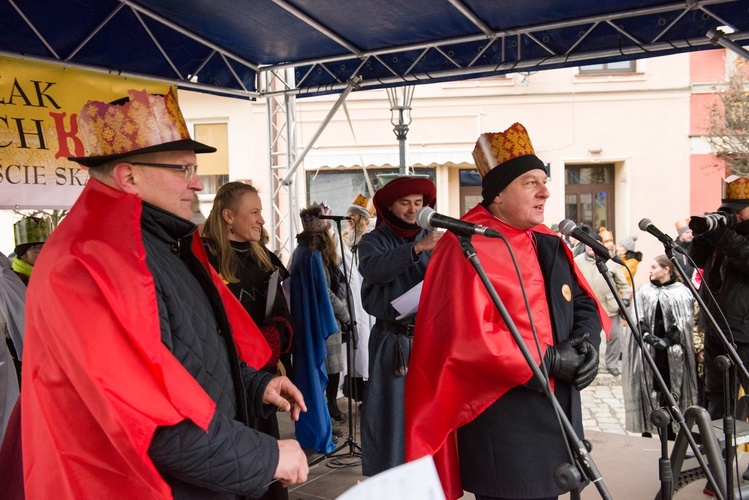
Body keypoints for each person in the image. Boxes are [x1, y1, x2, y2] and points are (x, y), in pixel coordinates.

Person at [21, 88, 308, 498]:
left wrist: (251, 383)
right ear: (129, 176)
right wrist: (265, 457)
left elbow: (185, 357)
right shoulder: (88, 264)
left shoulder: (155, 244)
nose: (196, 183)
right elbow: (146, 419)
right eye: (183, 169)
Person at [405, 123, 606, 500]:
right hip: (504, 419)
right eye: (531, 182)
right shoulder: (464, 242)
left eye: (543, 180)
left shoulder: (546, 239)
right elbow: (465, 336)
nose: (545, 191)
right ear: (497, 194)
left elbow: (581, 301)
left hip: (559, 412)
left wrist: (587, 346)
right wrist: (547, 360)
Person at [202, 181, 295, 500]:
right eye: (253, 212)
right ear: (229, 216)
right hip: (219, 383)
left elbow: (283, 314)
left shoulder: (265, 259)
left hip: (260, 382)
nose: (262, 220)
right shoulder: (203, 259)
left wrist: (273, 338)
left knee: (265, 472)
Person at [357, 175, 442, 476]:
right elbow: (375, 269)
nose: (412, 209)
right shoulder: (372, 241)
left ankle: (428, 480)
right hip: (393, 345)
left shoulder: (434, 238)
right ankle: (390, 483)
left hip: (428, 340)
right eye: (405, 203)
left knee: (429, 416)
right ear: (390, 206)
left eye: (418, 203)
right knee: (391, 420)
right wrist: (416, 249)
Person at [288, 205, 351, 453]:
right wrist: (345, 315)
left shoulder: (300, 251)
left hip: (307, 322)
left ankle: (318, 424)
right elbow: (324, 294)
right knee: (321, 375)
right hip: (320, 322)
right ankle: (320, 429)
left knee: (312, 379)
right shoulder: (314, 255)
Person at [690, 176, 749, 422]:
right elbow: (693, 259)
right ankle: (719, 456)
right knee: (718, 397)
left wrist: (723, 235)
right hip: (716, 327)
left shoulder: (731, 238)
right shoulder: (725, 234)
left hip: (745, 332)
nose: (733, 216)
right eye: (727, 211)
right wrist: (704, 234)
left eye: (738, 211)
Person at [622, 255, 697, 438]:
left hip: (672, 356)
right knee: (648, 389)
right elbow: (636, 317)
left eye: (654, 267)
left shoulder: (681, 292)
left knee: (670, 391)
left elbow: (686, 322)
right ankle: (647, 428)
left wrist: (669, 340)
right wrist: (647, 336)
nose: (650, 270)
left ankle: (671, 433)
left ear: (666, 269)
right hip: (648, 352)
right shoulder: (644, 291)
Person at [574, 234, 632, 376]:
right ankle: (590, 365)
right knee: (588, 337)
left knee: (614, 336)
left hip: (609, 306)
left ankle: (611, 364)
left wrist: (624, 300)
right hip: (587, 307)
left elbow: (623, 285)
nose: (590, 247)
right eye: (588, 244)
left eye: (594, 244)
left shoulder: (611, 262)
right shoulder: (576, 261)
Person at [340, 194, 376, 403]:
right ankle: (357, 391)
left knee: (364, 343)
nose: (349, 219)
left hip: (365, 296)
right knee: (356, 344)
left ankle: (367, 391)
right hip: (352, 296)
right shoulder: (346, 238)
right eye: (348, 215)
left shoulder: (368, 239)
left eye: (352, 215)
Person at [10, 216, 50, 285]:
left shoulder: (48, 277)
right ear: (23, 254)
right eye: (39, 247)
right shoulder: (11, 281)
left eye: (46, 247)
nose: (44, 252)